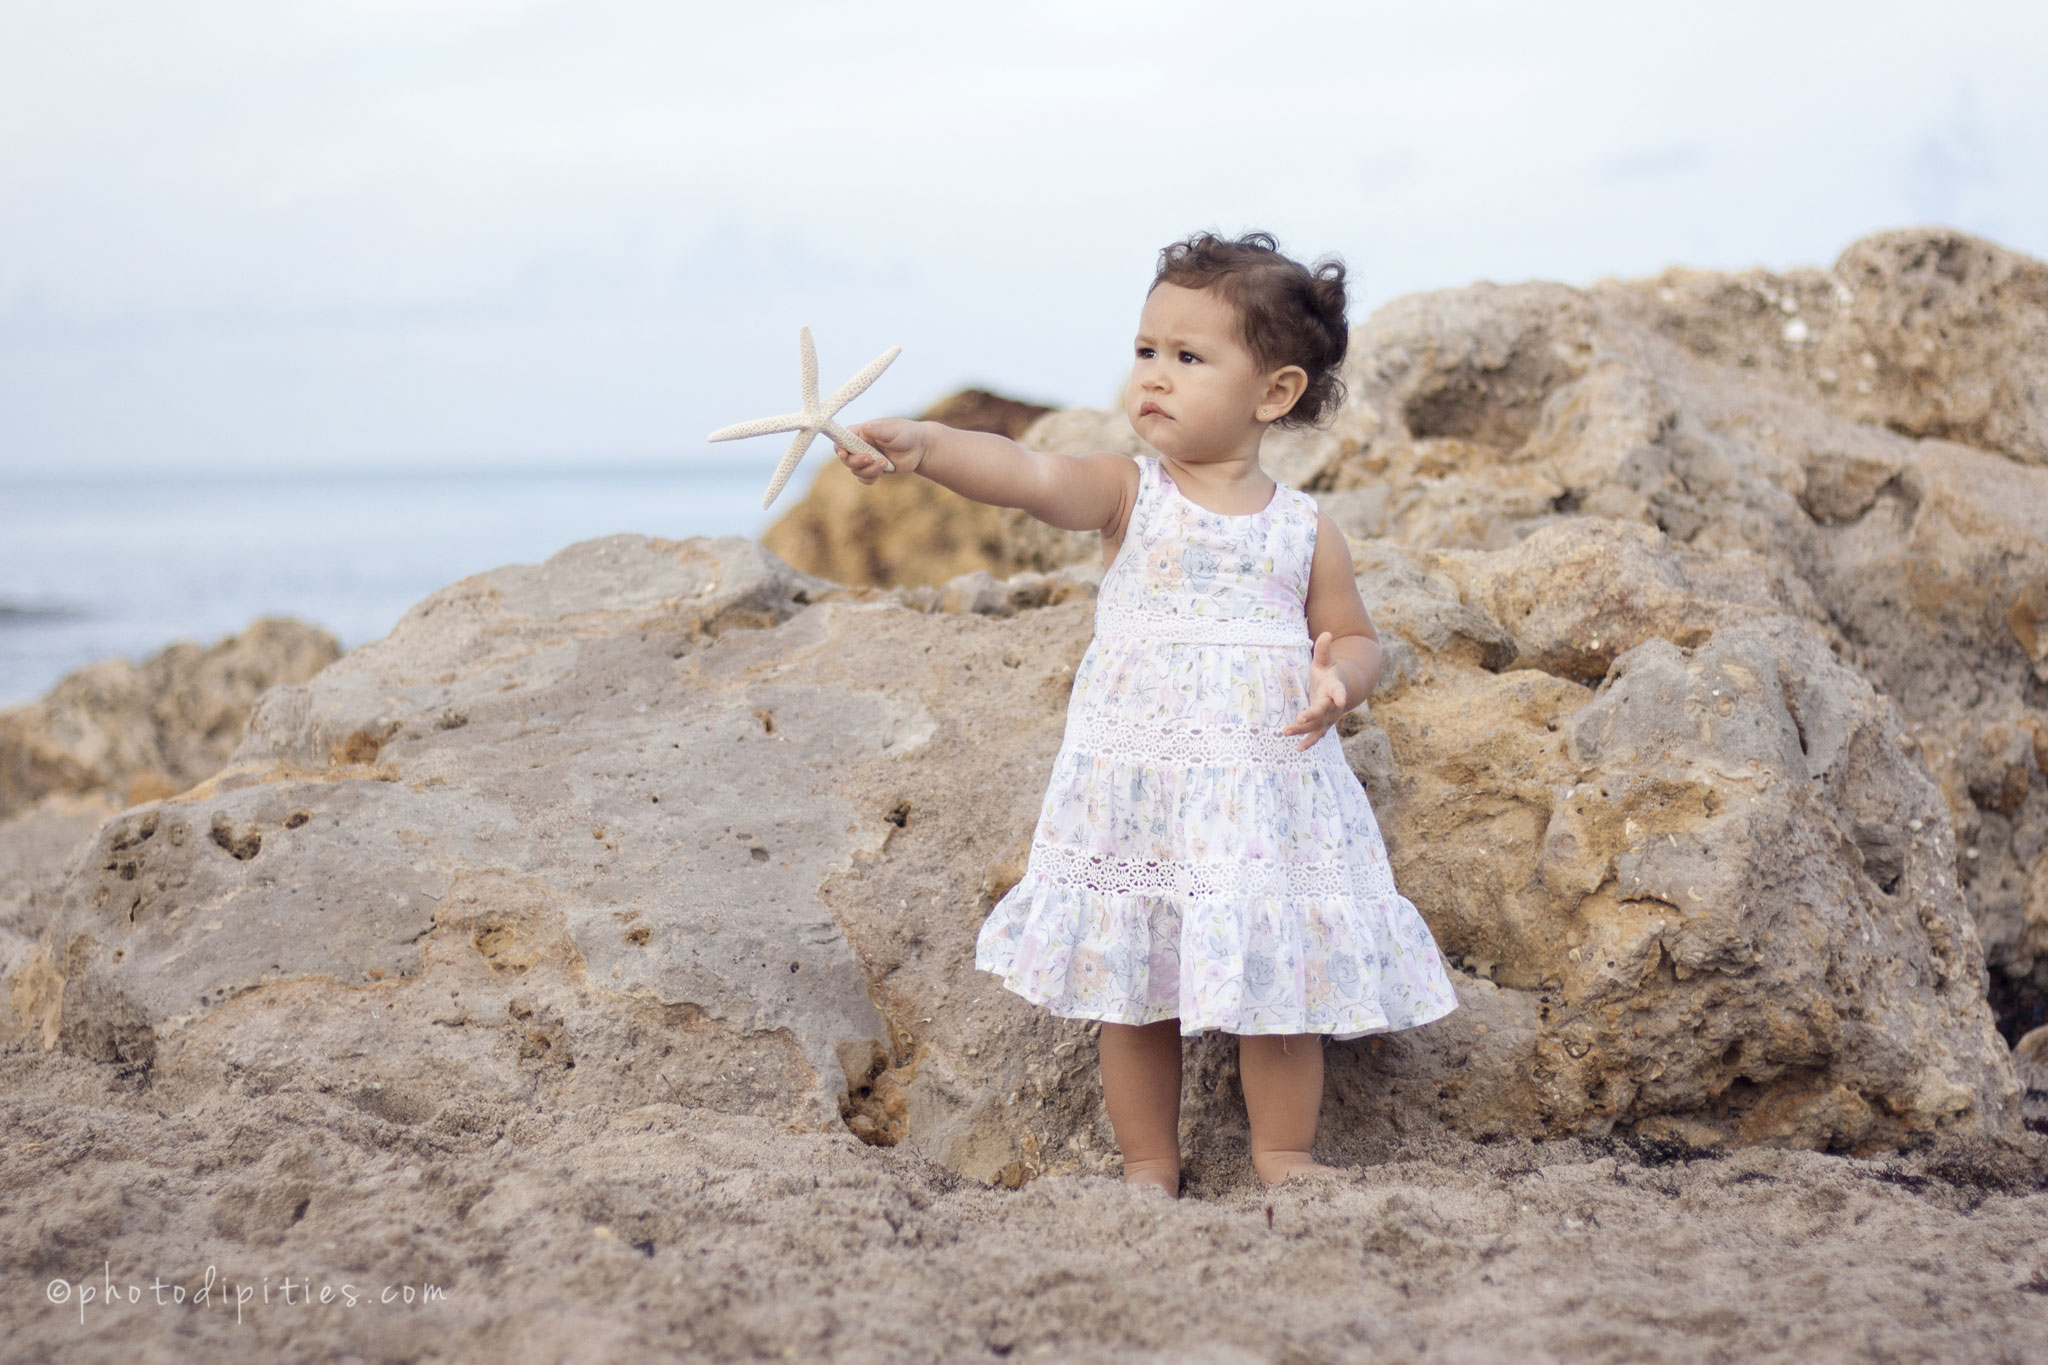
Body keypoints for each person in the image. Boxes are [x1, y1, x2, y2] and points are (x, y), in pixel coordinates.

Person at [833, 230, 1460, 1196]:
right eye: (1145, 351)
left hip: (1262, 795)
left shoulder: (1303, 529)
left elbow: (1355, 633)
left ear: (1274, 393)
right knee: (1134, 988)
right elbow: (1028, 474)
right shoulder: (1131, 494)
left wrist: (1345, 678)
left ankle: (1286, 1155)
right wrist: (928, 448)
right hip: (1140, 792)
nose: (1154, 378)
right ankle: (1146, 1164)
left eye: (1189, 357)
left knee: (1278, 984)